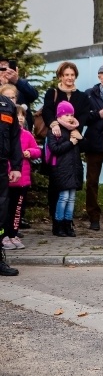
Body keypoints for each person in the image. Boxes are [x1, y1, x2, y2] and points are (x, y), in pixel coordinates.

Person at [41, 61, 89, 233]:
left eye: (72, 74)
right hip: (57, 139)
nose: (69, 78)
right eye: (66, 74)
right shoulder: (53, 93)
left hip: (73, 139)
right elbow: (47, 110)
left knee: (70, 190)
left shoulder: (82, 97)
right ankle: (56, 220)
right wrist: (53, 123)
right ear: (60, 76)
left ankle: (66, 222)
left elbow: (83, 115)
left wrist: (77, 130)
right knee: (56, 187)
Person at [82, 63, 103, 231]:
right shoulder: (89, 94)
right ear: (100, 77)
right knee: (92, 182)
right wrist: (97, 114)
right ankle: (93, 217)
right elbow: (81, 118)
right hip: (94, 142)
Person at [3, 105, 40, 250]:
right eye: (16, 115)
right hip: (6, 181)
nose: (19, 118)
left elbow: (37, 151)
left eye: (22, 115)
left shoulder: (26, 135)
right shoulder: (5, 136)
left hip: (22, 182)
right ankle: (4, 235)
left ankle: (13, 234)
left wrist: (30, 152)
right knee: (4, 211)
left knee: (17, 210)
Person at [46, 101, 83, 237]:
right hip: (61, 169)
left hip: (73, 169)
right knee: (63, 197)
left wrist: (80, 139)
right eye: (66, 114)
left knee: (72, 197)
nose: (70, 117)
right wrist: (71, 143)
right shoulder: (55, 131)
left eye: (71, 114)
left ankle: (68, 223)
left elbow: (81, 149)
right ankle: (58, 224)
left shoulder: (74, 130)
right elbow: (55, 149)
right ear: (59, 116)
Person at [0, 91, 23, 276]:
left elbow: (15, 137)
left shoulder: (7, 105)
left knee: (1, 211)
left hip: (1, 167)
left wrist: (16, 166)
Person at [0, 56, 38, 129]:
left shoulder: (20, 84)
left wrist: (17, 80)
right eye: (1, 67)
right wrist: (3, 86)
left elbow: (34, 95)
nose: (4, 70)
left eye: (6, 66)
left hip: (23, 127)